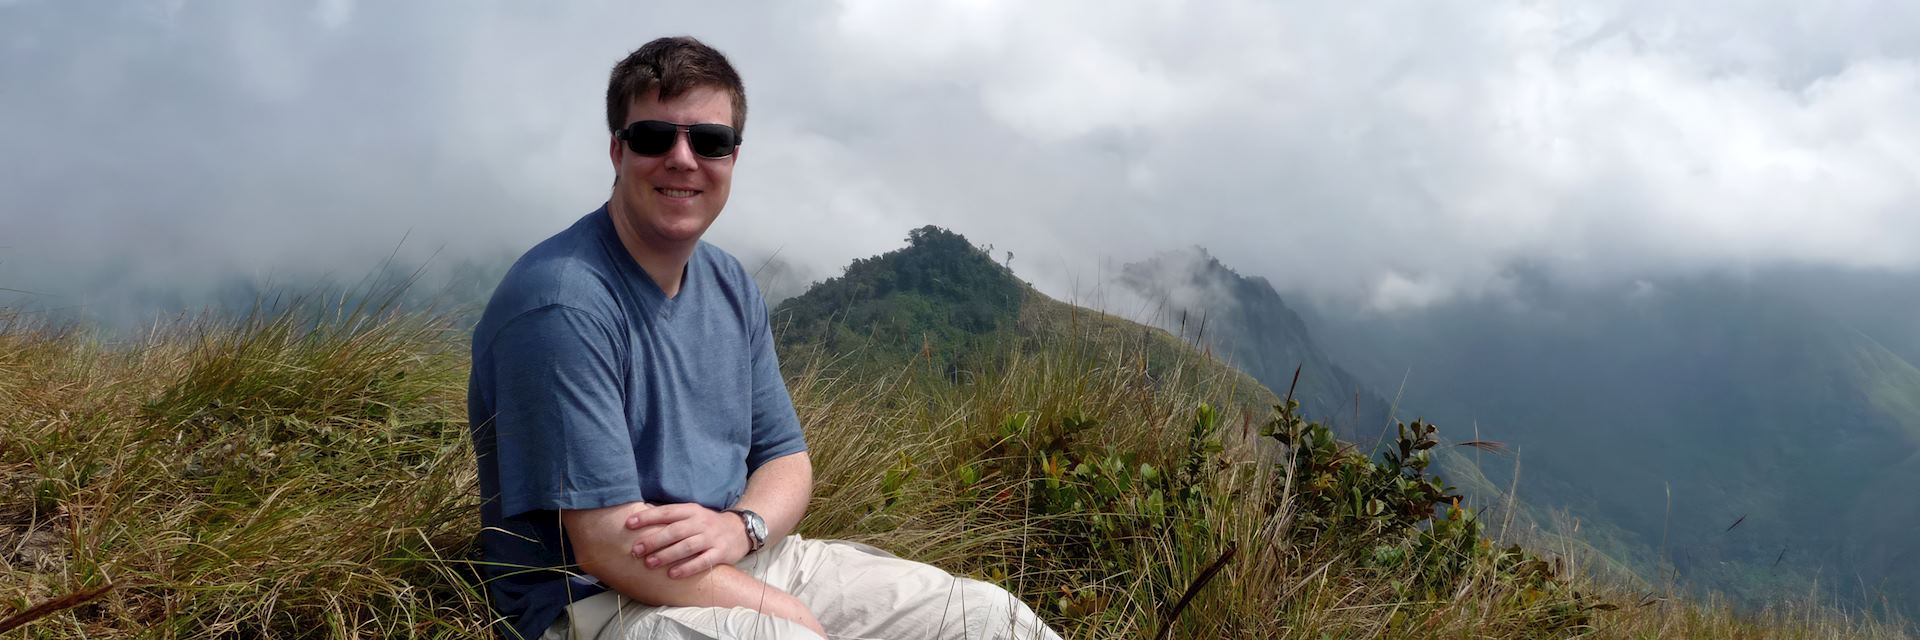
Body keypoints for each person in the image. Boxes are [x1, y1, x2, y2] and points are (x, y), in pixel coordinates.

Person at [467, 36, 1064, 640]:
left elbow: (785, 457)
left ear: (733, 156)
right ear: (617, 151)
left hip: (748, 557)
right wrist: (787, 614)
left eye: (710, 141)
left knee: (990, 618)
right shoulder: (562, 304)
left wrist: (742, 528)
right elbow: (606, 548)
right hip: (598, 603)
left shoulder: (728, 283)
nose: (682, 158)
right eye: (654, 137)